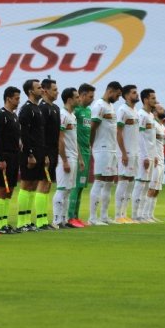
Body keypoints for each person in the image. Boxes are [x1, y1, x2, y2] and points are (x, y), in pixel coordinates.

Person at [88, 80, 122, 225]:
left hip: (112, 148)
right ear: (110, 91)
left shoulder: (110, 106)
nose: (118, 98)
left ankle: (104, 216)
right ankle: (92, 217)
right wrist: (90, 146)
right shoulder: (99, 106)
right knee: (100, 181)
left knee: (109, 182)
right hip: (101, 148)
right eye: (118, 95)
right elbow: (93, 127)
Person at [17, 79, 46, 232]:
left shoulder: (38, 108)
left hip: (39, 151)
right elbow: (23, 133)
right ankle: (22, 221)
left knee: (33, 185)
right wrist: (29, 154)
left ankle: (27, 220)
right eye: (39, 87)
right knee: (26, 184)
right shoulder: (26, 109)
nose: (42, 90)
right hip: (30, 153)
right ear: (30, 91)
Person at [52, 88, 83, 228]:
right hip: (65, 157)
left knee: (69, 189)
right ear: (69, 99)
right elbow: (60, 139)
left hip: (73, 156)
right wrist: (64, 160)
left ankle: (63, 219)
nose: (79, 99)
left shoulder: (73, 116)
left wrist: (80, 158)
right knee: (62, 188)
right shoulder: (62, 115)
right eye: (77, 97)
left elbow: (74, 139)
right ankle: (57, 220)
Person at [0, 86, 21, 234]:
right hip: (5, 157)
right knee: (2, 188)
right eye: (16, 98)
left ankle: (5, 222)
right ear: (8, 98)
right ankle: (0, 224)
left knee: (9, 189)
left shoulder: (14, 116)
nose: (18, 101)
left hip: (15, 157)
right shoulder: (1, 116)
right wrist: (0, 158)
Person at [67, 83, 95, 228]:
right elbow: (73, 135)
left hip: (86, 151)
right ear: (82, 95)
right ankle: (70, 216)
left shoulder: (88, 111)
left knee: (82, 185)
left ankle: (76, 216)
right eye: (90, 96)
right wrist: (78, 154)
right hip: (77, 153)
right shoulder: (76, 112)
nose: (92, 99)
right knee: (75, 186)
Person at [115, 84, 140, 224]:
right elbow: (118, 132)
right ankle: (118, 215)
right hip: (126, 152)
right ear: (126, 95)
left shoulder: (135, 111)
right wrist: (123, 152)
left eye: (137, 92)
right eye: (133, 93)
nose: (137, 95)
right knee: (123, 181)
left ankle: (125, 213)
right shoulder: (122, 110)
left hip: (135, 152)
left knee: (130, 182)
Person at [38, 78, 60, 230]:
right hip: (45, 152)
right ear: (45, 91)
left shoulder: (56, 108)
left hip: (54, 151)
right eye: (54, 89)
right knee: (43, 183)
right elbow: (41, 133)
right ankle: (40, 221)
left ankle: (44, 219)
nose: (56, 92)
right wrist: (44, 153)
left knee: (48, 184)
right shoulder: (42, 108)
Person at [133, 88, 157, 223]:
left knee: (147, 184)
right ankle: (135, 215)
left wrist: (153, 155)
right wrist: (145, 156)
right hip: (144, 155)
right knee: (140, 184)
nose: (155, 100)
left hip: (151, 154)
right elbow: (140, 136)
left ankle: (141, 214)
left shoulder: (151, 115)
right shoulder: (141, 115)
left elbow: (151, 138)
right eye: (153, 98)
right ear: (146, 100)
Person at [144, 104, 165, 222]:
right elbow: (149, 141)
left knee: (157, 189)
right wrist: (152, 155)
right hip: (155, 159)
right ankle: (144, 215)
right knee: (151, 188)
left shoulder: (162, 126)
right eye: (160, 108)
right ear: (155, 112)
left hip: (161, 159)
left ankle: (150, 214)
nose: (164, 109)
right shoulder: (153, 124)